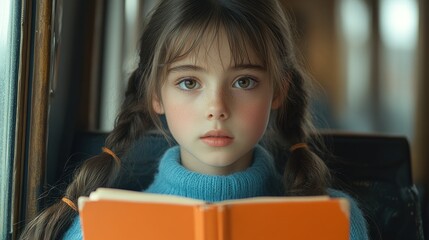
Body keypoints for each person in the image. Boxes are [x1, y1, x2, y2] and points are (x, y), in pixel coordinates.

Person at [19, 0, 369, 239]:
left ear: (278, 90)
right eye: (189, 82)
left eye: (243, 82)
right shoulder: (94, 229)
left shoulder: (337, 223)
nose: (216, 107)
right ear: (155, 93)